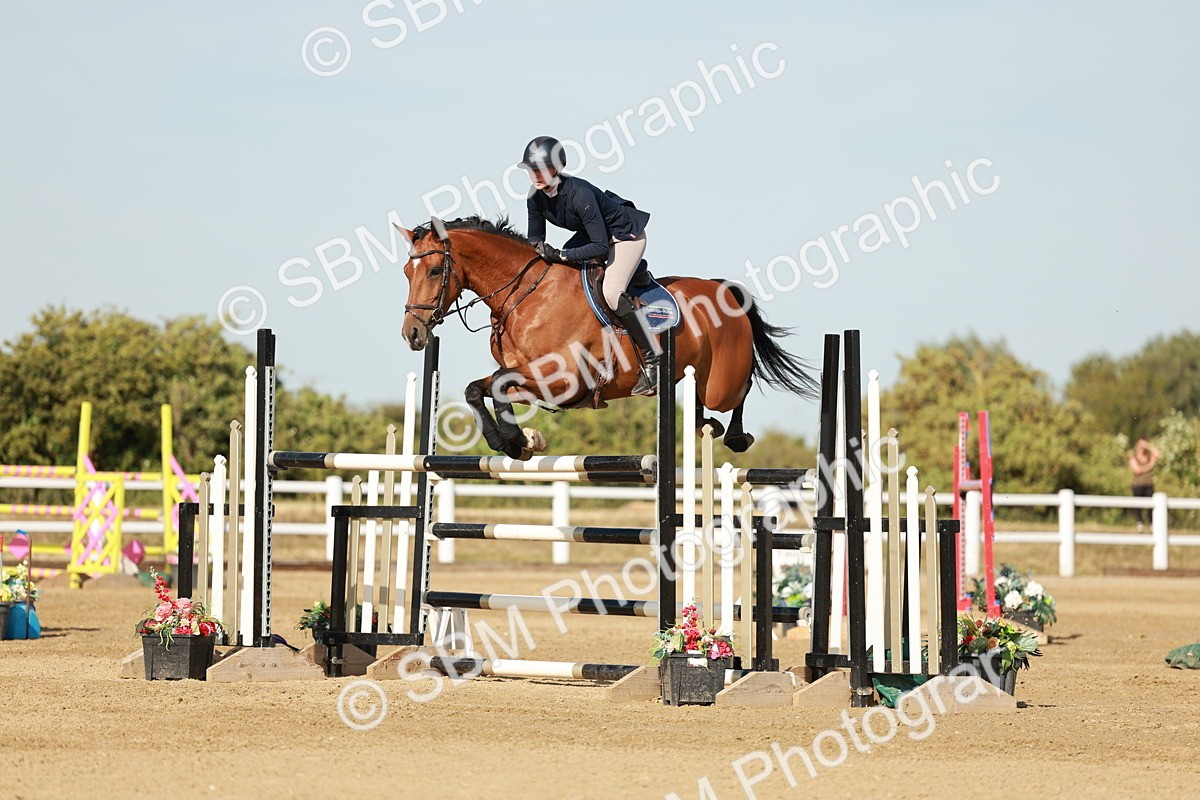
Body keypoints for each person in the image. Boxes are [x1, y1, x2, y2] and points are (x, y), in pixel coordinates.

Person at [519, 136, 658, 395]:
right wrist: (539, 251)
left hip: (624, 236)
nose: (535, 174)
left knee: (611, 293)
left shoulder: (579, 194)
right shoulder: (535, 197)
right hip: (594, 235)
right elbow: (535, 238)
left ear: (557, 167)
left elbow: (600, 248)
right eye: (531, 169)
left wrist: (561, 255)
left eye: (541, 167)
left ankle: (652, 362)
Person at [1127, 437, 1161, 532]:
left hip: (1149, 485)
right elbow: (1137, 470)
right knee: (1138, 506)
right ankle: (1139, 523)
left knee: (1151, 506)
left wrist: (1149, 446)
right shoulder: (1133, 456)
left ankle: (1152, 524)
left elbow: (1158, 455)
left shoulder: (1149, 455)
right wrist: (1150, 465)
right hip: (1138, 485)